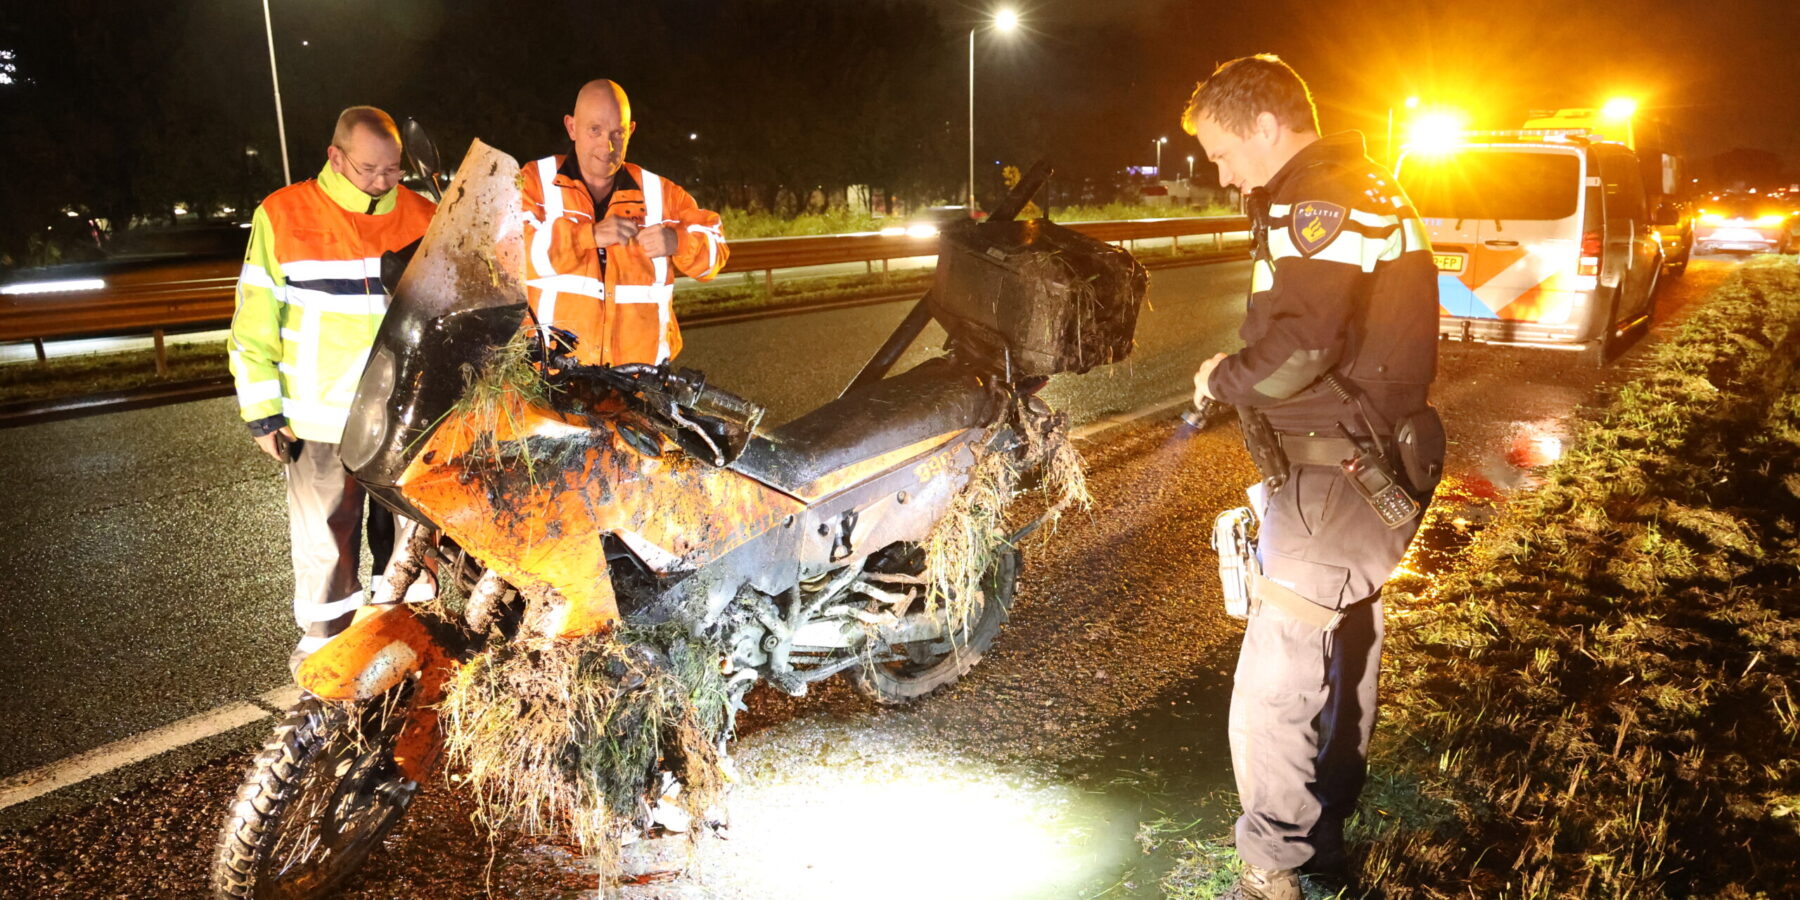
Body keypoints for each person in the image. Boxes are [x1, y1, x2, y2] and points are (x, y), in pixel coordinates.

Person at [1183, 55, 1444, 899]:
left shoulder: (1317, 196)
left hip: (1339, 471)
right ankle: (1325, 828)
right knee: (1349, 641)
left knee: (1275, 675)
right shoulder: (1356, 183)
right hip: (1362, 467)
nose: (1223, 176)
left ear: (1265, 124)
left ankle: (1275, 866)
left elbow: (1301, 345)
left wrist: (1222, 374)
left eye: (1224, 152)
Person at [229, 106, 436, 675]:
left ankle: (408, 650)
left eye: (393, 171)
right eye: (369, 169)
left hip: (404, 421)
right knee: (327, 544)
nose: (382, 182)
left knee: (410, 545)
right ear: (335, 156)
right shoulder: (283, 214)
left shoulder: (424, 215)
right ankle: (327, 658)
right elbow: (253, 324)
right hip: (319, 422)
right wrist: (263, 412)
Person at [521, 79, 728, 366]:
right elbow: (511, 254)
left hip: (639, 384)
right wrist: (587, 236)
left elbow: (715, 254)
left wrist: (677, 241)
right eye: (595, 130)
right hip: (551, 382)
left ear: (630, 131)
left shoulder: (661, 193)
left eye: (617, 133)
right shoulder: (535, 181)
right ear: (571, 127)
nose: (607, 146)